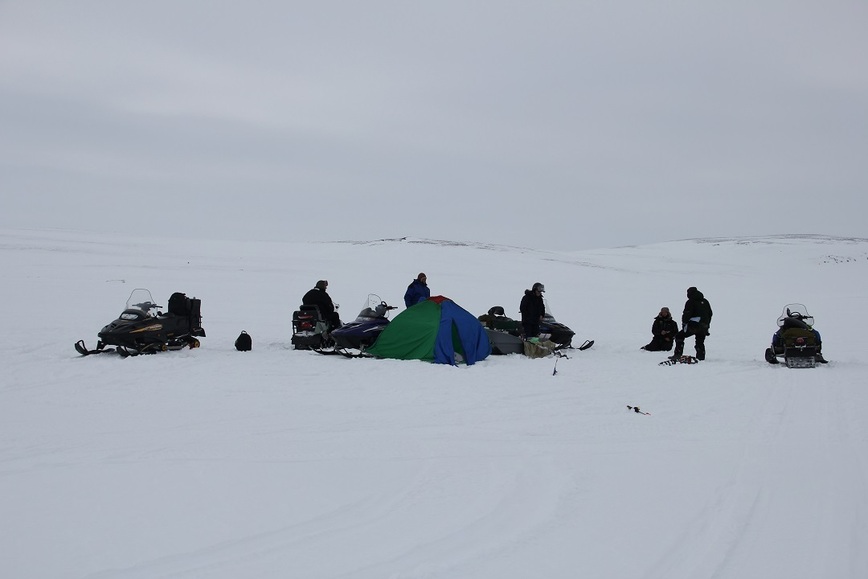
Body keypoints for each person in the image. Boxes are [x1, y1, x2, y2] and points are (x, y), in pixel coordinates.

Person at [672, 286, 712, 360]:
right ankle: (700, 357)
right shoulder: (705, 301)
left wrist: (684, 324)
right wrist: (707, 324)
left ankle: (677, 355)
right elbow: (710, 313)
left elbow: (687, 314)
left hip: (694, 325)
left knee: (679, 336)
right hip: (704, 326)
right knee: (700, 341)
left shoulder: (690, 301)